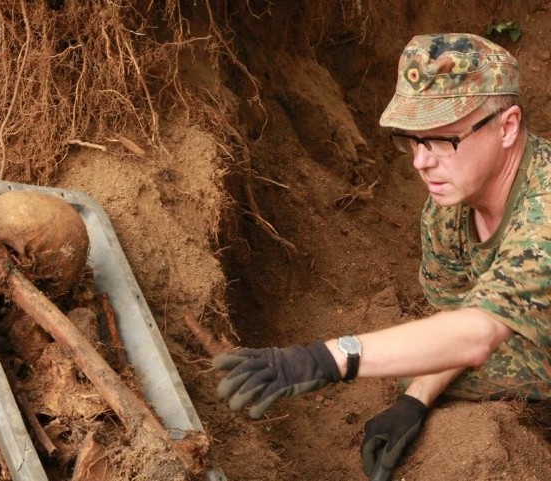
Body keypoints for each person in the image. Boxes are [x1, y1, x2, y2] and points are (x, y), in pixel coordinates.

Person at [213, 32, 551, 478]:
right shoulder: (445, 214)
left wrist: (330, 357)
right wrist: (415, 399)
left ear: (507, 126)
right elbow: (456, 319)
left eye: (442, 140)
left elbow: (476, 335)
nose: (420, 162)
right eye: (413, 140)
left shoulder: (544, 204)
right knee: (409, 366)